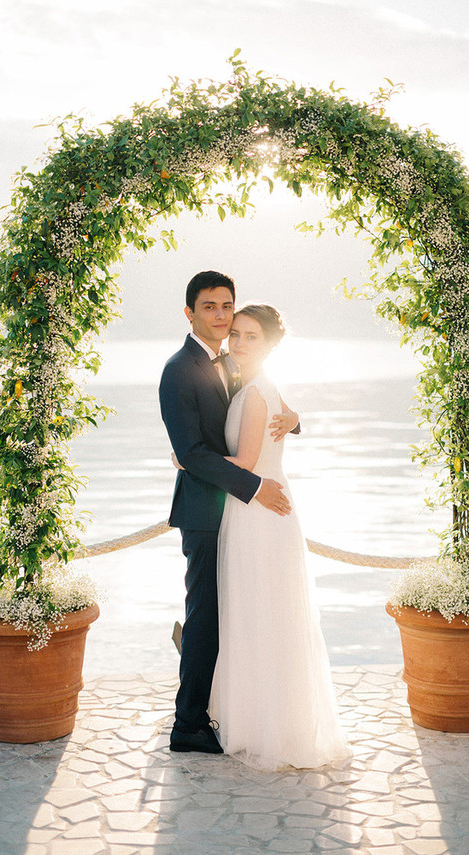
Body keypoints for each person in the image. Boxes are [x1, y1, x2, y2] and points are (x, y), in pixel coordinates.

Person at [159, 272, 299, 754]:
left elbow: (258, 408)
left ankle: (228, 706)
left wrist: (296, 420)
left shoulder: (234, 360)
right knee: (205, 617)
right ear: (190, 313)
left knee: (237, 614)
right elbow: (193, 452)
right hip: (205, 510)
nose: (220, 316)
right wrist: (255, 485)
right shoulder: (179, 369)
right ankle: (189, 723)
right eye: (210, 307)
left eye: (226, 306)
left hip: (239, 513)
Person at [208, 304, 351, 770]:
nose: (241, 342)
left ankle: (266, 726)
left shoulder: (255, 392)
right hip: (258, 508)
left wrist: (185, 459)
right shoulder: (252, 386)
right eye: (237, 334)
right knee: (260, 614)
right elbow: (284, 420)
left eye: (252, 336)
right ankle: (261, 719)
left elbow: (246, 463)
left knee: (262, 613)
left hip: (259, 512)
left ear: (269, 344)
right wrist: (294, 418)